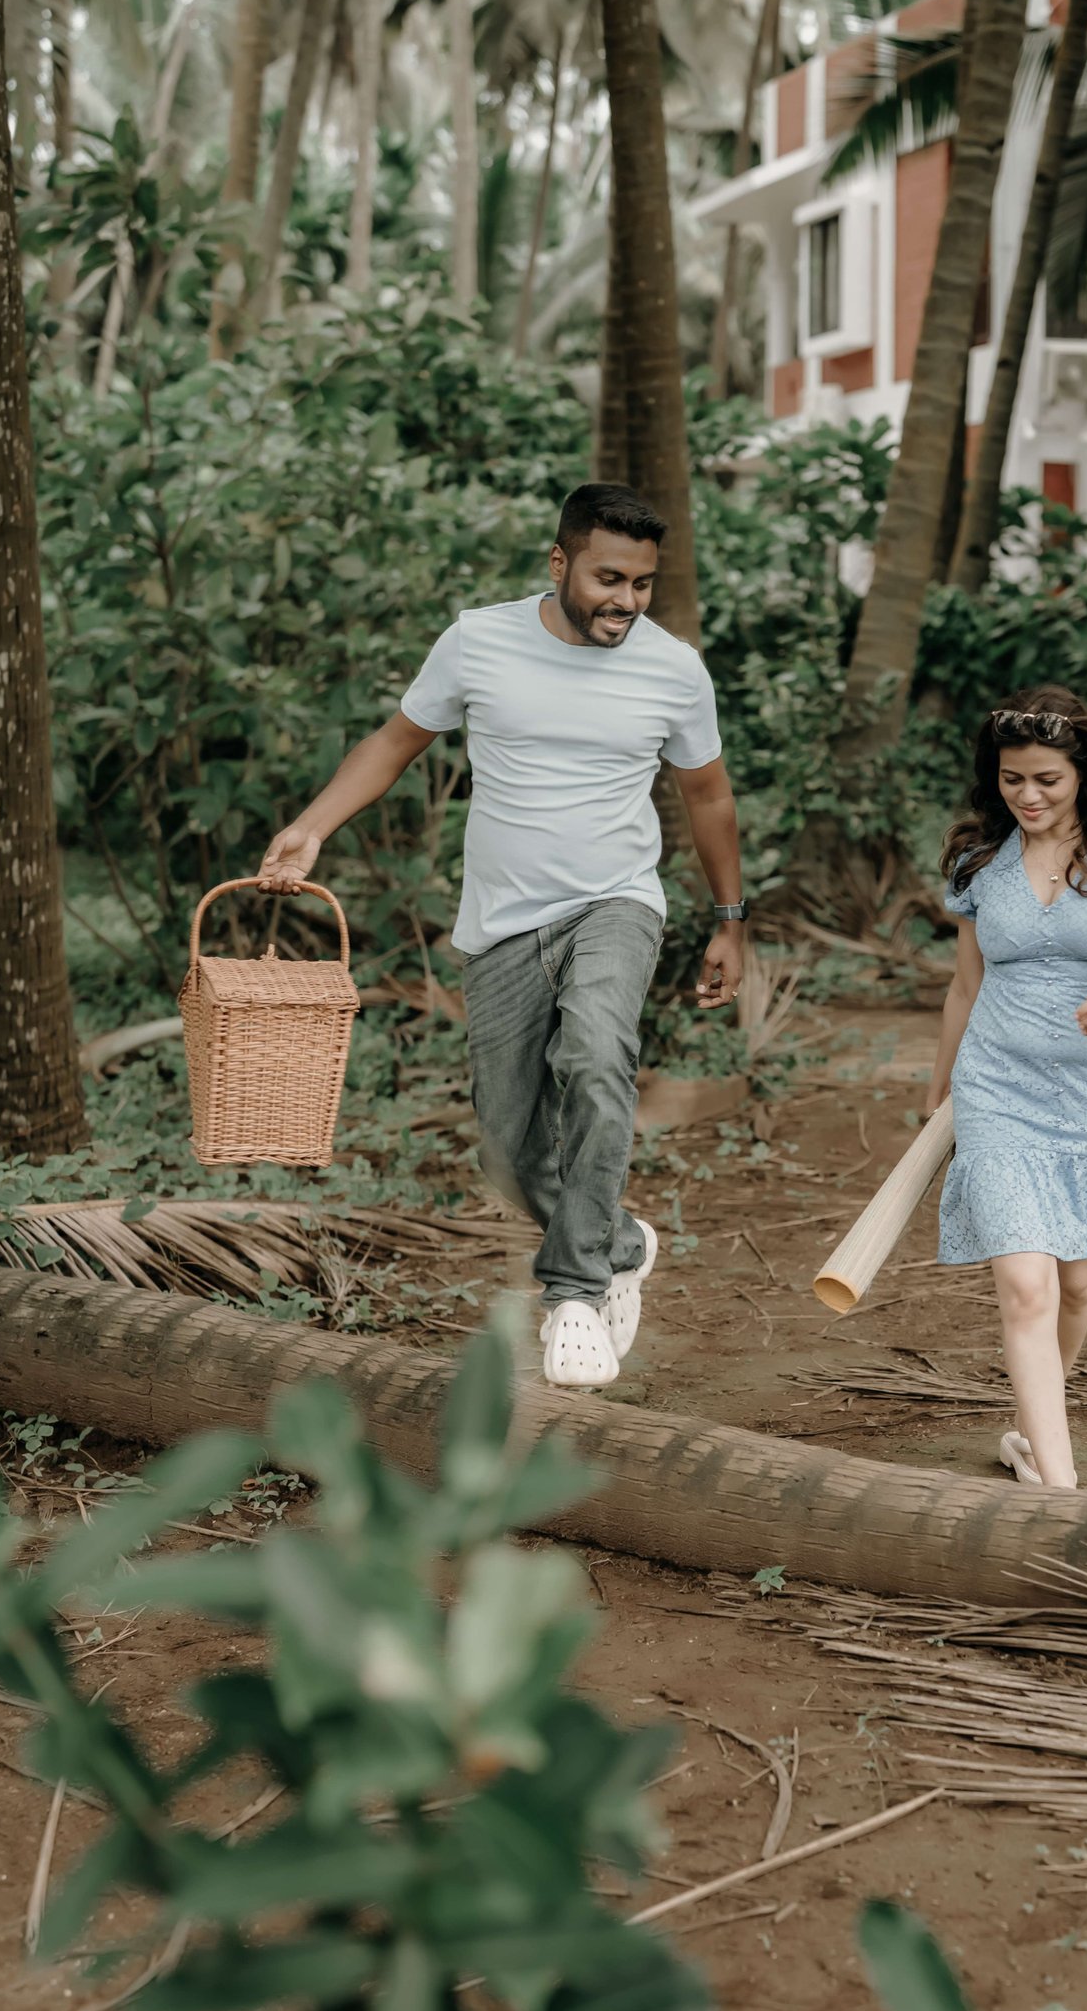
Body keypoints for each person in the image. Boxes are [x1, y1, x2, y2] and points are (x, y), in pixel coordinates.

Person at [257, 481, 747, 1389]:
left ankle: (574, 1292)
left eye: (642, 584)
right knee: (507, 1148)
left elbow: (708, 794)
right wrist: (312, 826)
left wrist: (730, 920)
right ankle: (620, 1241)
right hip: (502, 923)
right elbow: (395, 742)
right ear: (559, 563)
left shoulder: (674, 669)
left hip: (616, 902)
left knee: (597, 1055)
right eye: (608, 579)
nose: (627, 602)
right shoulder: (478, 642)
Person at [925, 686, 1087, 1490]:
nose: (1028, 796)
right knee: (1026, 1288)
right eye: (1012, 780)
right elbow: (965, 986)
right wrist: (939, 1090)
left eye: (1046, 780)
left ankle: (1035, 1431)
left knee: (1077, 1284)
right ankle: (1061, 1493)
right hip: (996, 1085)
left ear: (1082, 773)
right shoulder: (978, 856)